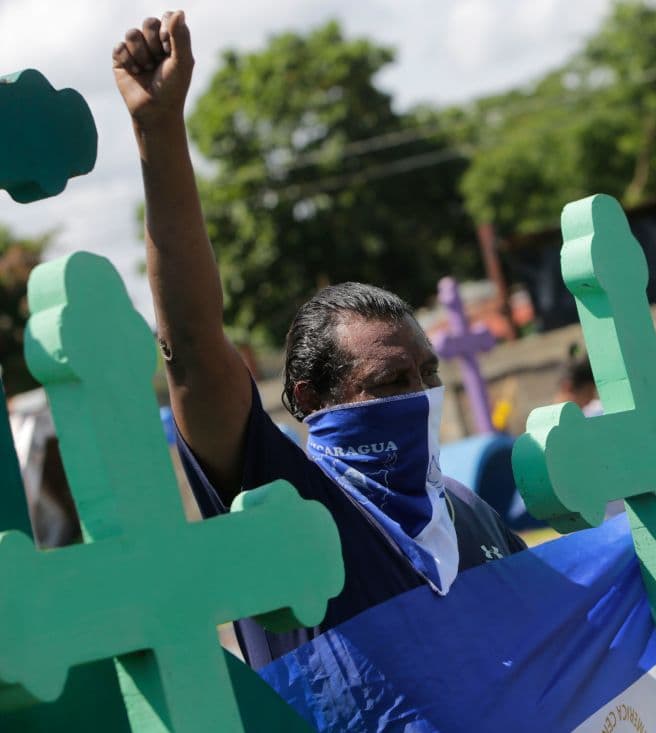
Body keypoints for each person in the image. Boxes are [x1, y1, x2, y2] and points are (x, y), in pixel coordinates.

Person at [112, 11, 525, 670]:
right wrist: (157, 131)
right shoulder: (292, 506)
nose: (420, 396)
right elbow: (191, 345)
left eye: (426, 373)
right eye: (390, 382)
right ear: (312, 398)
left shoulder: (474, 515)